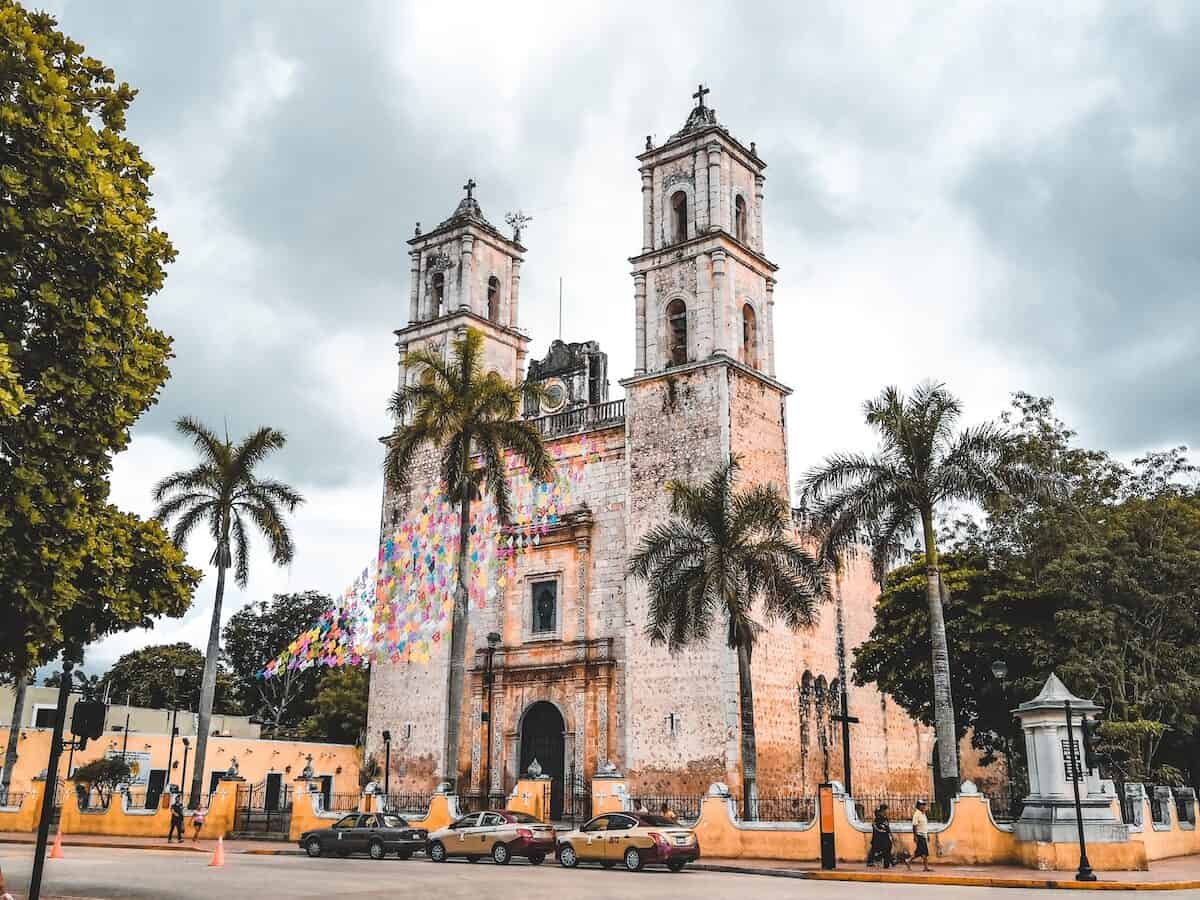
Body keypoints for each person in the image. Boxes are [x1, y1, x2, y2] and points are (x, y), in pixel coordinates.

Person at [909, 799, 932, 872]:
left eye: (924, 805)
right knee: (924, 852)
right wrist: (915, 836)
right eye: (922, 805)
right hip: (919, 835)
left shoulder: (923, 814)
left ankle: (908, 860)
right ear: (918, 806)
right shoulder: (917, 814)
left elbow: (924, 826)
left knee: (919, 852)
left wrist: (927, 834)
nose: (923, 806)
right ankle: (925, 867)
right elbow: (914, 826)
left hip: (923, 835)